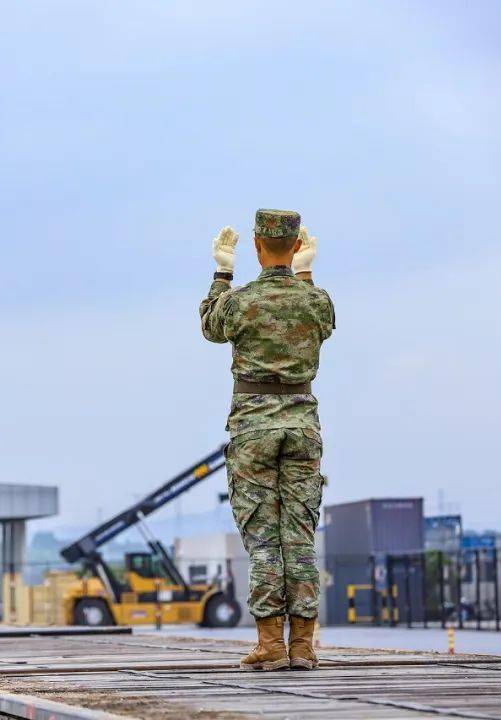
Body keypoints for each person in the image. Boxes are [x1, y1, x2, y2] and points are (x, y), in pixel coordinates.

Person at [199, 210, 335, 671]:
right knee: (298, 535)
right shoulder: (316, 300)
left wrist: (222, 270)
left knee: (263, 538)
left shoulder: (241, 302)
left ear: (258, 244)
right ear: (296, 245)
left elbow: (210, 327)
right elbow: (322, 321)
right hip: (302, 426)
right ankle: (303, 646)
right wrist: (306, 273)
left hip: (254, 429)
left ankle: (270, 645)